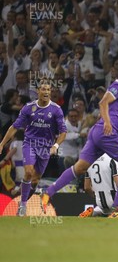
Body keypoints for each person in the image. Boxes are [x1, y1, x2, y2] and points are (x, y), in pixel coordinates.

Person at [42, 62, 118, 216]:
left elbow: (115, 113)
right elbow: (103, 102)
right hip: (106, 132)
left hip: (98, 132)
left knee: (79, 168)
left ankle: (48, 192)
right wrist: (107, 122)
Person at [0, 81, 67, 216]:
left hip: (46, 148)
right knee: (29, 172)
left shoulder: (56, 109)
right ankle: (23, 205)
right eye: (44, 89)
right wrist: (2, 143)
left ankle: (24, 198)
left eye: (49, 89)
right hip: (30, 144)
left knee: (35, 180)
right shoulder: (28, 108)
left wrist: (55, 145)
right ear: (38, 91)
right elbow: (14, 127)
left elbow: (63, 132)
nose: (47, 92)